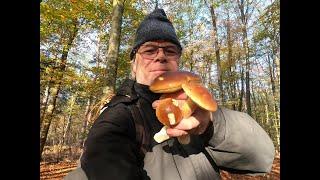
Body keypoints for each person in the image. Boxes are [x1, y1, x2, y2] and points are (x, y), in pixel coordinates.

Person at [64, 8, 275, 180]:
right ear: (133, 64)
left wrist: (211, 125)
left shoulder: (197, 105)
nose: (161, 56)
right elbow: (104, 161)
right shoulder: (120, 114)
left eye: (170, 50)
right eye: (149, 50)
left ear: (178, 61)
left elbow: (261, 156)